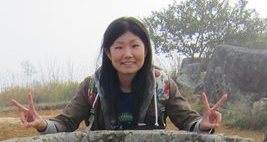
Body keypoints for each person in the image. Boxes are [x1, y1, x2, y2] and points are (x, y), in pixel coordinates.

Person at [12, 16, 227, 134]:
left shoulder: (162, 84)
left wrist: (203, 124)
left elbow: (187, 121)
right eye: (119, 47)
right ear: (108, 52)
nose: (128, 54)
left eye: (135, 46)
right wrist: (42, 124)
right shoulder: (92, 86)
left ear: (145, 50)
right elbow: (66, 122)